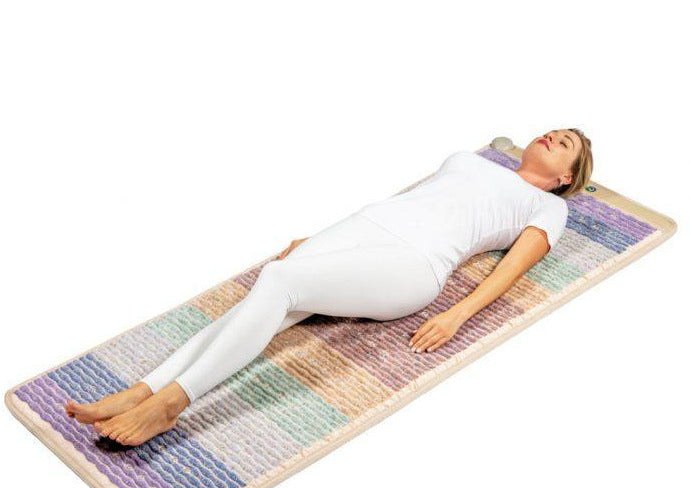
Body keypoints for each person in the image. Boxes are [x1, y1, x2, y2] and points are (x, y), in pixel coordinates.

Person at [65, 128, 593, 446]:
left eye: (564, 143)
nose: (550, 136)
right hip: (363, 228)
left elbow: (511, 268)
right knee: (267, 302)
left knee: (277, 280)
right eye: (552, 130)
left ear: (565, 178)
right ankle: (143, 390)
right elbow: (414, 201)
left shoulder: (550, 206)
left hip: (413, 263)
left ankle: (171, 403)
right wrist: (320, 239)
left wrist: (458, 314)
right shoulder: (469, 159)